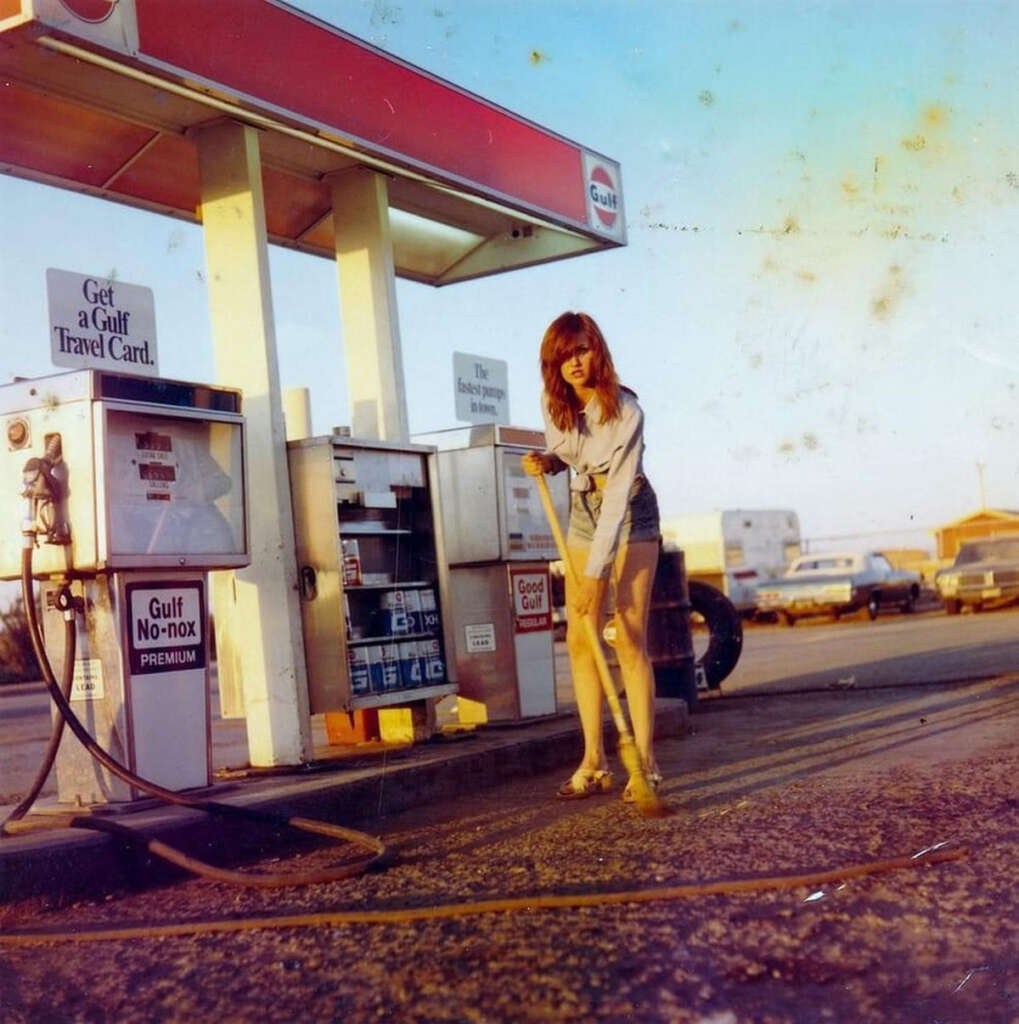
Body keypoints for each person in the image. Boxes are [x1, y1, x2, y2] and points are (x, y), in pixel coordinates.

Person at [522, 311, 662, 801]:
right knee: (581, 637)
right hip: (583, 508)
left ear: (596, 350)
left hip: (631, 512)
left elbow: (618, 493)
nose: (574, 362)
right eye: (564, 355)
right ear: (552, 364)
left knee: (627, 633)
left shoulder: (627, 411)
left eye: (581, 350)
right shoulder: (552, 402)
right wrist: (551, 460)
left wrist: (592, 576)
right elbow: (571, 451)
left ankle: (644, 764)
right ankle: (593, 760)